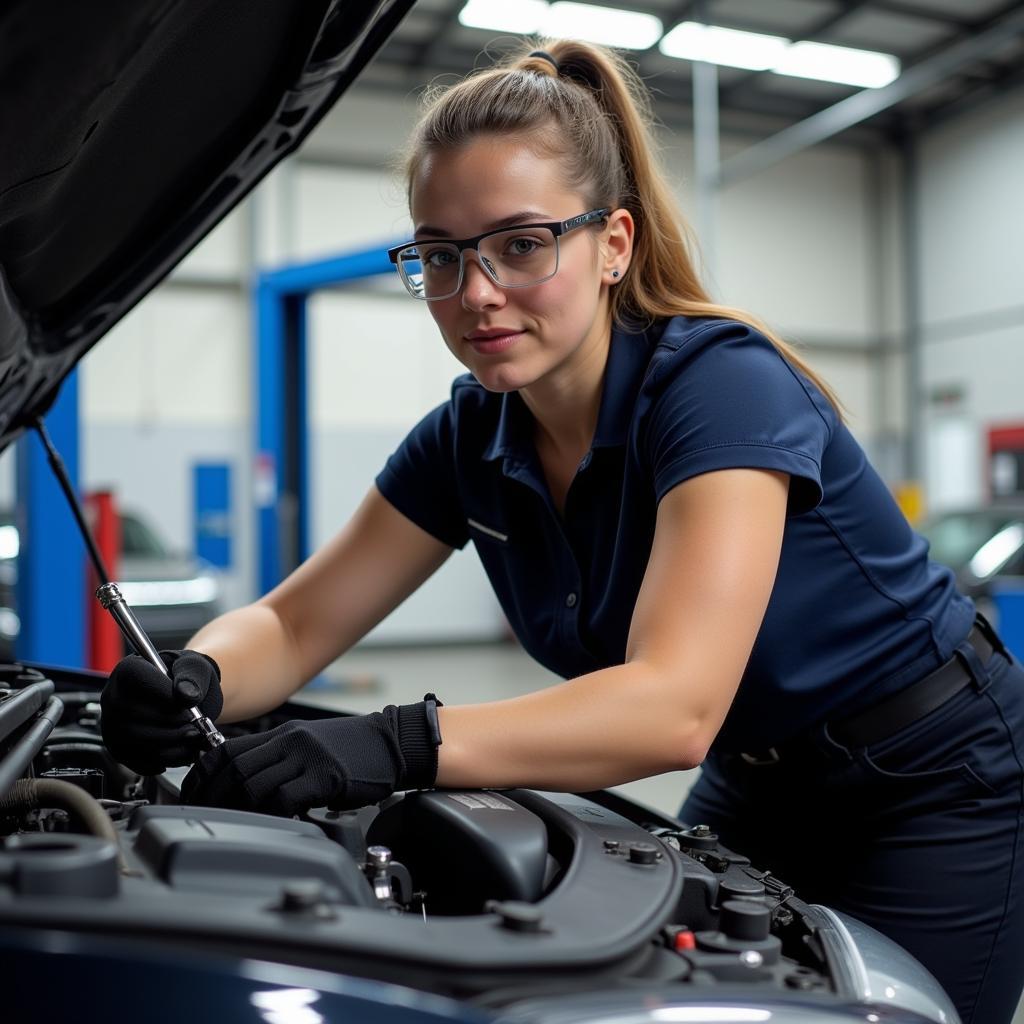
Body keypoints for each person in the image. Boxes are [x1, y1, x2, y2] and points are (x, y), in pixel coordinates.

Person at [99, 39, 1023, 1023]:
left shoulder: (720, 388)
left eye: (521, 243)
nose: (477, 291)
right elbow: (294, 622)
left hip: (930, 775)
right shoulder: (469, 438)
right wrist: (197, 673)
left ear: (611, 244)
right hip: (757, 775)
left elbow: (672, 705)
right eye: (441, 254)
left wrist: (394, 742)